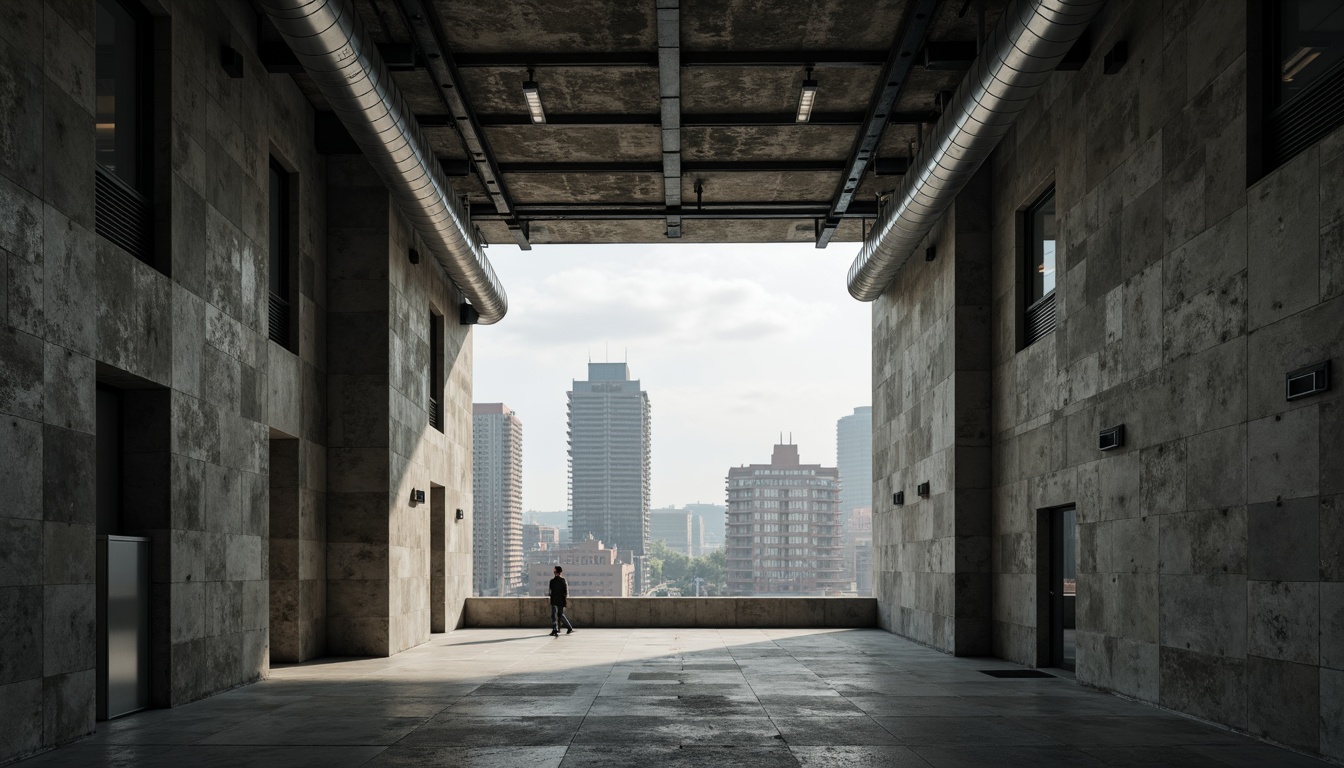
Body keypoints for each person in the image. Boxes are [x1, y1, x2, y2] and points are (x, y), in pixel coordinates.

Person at [548, 565, 574, 637]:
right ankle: (558, 628)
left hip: (557, 600)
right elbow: (565, 591)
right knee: (558, 615)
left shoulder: (553, 581)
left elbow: (551, 591)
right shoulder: (561, 580)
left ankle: (559, 628)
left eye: (555, 570)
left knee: (557, 615)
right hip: (559, 600)